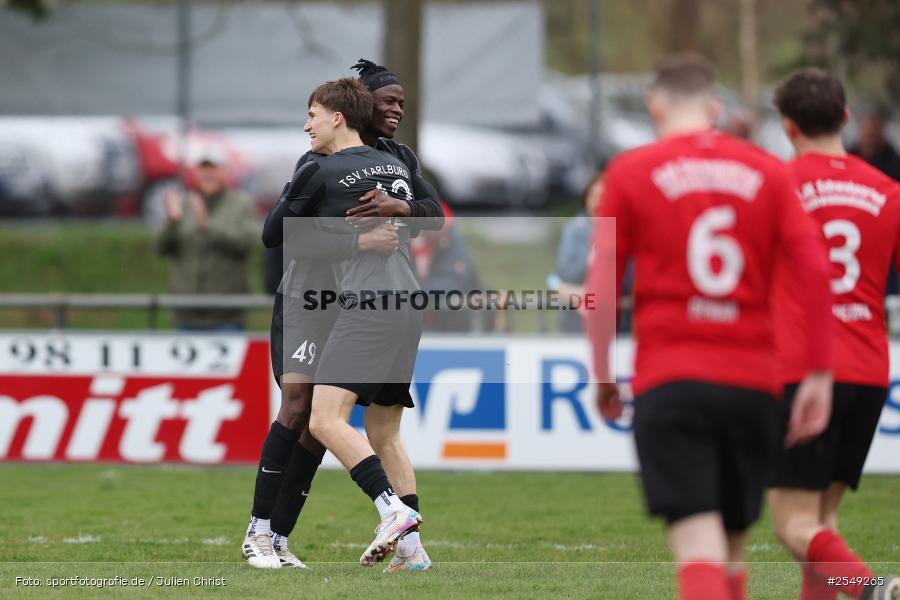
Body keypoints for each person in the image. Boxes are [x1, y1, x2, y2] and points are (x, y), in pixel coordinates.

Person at [584, 54, 834, 600]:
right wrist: (818, 372)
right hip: (753, 385)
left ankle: (862, 583)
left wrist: (601, 373)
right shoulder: (767, 170)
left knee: (699, 547)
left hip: (672, 379)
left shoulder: (631, 171)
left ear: (654, 107)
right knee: (734, 548)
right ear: (716, 109)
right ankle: (864, 583)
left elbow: (599, 284)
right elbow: (817, 268)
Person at [246, 71, 442, 571]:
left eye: (400, 102)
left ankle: (288, 535)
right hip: (315, 300)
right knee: (306, 409)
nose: (395, 110)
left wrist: (402, 207)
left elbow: (432, 214)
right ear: (357, 109)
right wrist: (360, 238)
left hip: (363, 301)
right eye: (387, 101)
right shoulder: (318, 163)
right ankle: (262, 533)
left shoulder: (394, 159)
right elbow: (286, 238)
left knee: (324, 422)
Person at [770, 68, 900, 600]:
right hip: (869, 369)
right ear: (845, 117)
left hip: (804, 369)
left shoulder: (778, 185)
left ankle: (871, 589)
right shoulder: (888, 190)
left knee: (794, 525)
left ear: (788, 127)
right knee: (823, 523)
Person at [155, 148, 257, 330]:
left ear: (225, 171)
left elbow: (247, 243)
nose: (208, 174)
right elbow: (160, 249)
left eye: (214, 168)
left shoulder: (242, 204)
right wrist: (172, 222)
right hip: (185, 315)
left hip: (227, 316)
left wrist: (207, 225)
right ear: (196, 172)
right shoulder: (184, 203)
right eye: (203, 169)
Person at [553, 172, 603, 333]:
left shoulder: (621, 229)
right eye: (593, 196)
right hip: (576, 316)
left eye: (603, 197)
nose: (598, 201)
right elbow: (563, 272)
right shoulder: (574, 229)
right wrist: (590, 261)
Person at [849, 106, 900, 182]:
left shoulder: (894, 163)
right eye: (867, 132)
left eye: (874, 133)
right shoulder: (849, 156)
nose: (870, 139)